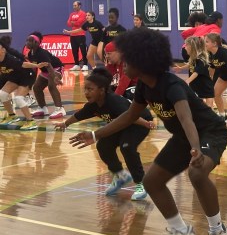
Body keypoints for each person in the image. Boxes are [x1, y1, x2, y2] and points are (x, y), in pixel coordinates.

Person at [68, 26, 227, 235]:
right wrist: (95, 134)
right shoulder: (145, 87)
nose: (123, 63)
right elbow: (127, 117)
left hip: (209, 132)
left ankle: (219, 232)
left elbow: (187, 119)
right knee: (151, 181)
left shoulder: (172, 85)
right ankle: (181, 233)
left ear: (144, 61)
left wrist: (195, 148)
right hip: (184, 137)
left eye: (129, 59)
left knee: (196, 173)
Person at [55, 68, 153, 201]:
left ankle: (141, 183)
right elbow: (78, 116)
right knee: (103, 146)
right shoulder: (93, 105)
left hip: (139, 123)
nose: (86, 92)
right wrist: (65, 124)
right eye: (85, 89)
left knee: (127, 147)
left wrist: (147, 124)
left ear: (102, 90)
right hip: (122, 125)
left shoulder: (114, 101)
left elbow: (131, 116)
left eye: (90, 89)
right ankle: (120, 176)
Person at [25, 31, 67, 120]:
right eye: (27, 40)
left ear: (36, 43)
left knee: (51, 86)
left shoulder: (42, 53)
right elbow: (35, 68)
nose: (27, 43)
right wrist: (30, 82)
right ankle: (43, 108)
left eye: (30, 41)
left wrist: (55, 77)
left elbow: (49, 66)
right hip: (45, 71)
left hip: (55, 68)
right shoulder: (30, 54)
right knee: (36, 87)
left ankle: (60, 109)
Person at [0, 37, 37, 130]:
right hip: (14, 76)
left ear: (3, 50)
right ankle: (12, 115)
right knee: (2, 94)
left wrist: (36, 65)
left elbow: (24, 64)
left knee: (18, 98)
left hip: (27, 75)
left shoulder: (11, 59)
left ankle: (31, 121)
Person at [183, 36, 215, 108]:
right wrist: (181, 68)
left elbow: (196, 72)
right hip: (195, 85)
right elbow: (190, 64)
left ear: (192, 47)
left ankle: (214, 117)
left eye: (186, 45)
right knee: (196, 105)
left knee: (208, 108)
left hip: (205, 86)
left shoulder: (201, 59)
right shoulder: (193, 58)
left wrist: (187, 81)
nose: (185, 48)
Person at [65, 0, 88, 72]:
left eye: (75, 5)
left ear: (79, 6)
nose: (74, 7)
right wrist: (74, 23)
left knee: (83, 50)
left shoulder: (83, 13)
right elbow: (68, 23)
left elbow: (79, 23)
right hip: (73, 35)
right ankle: (76, 64)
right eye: (73, 5)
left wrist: (73, 22)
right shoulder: (72, 14)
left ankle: (85, 65)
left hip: (80, 35)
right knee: (74, 50)